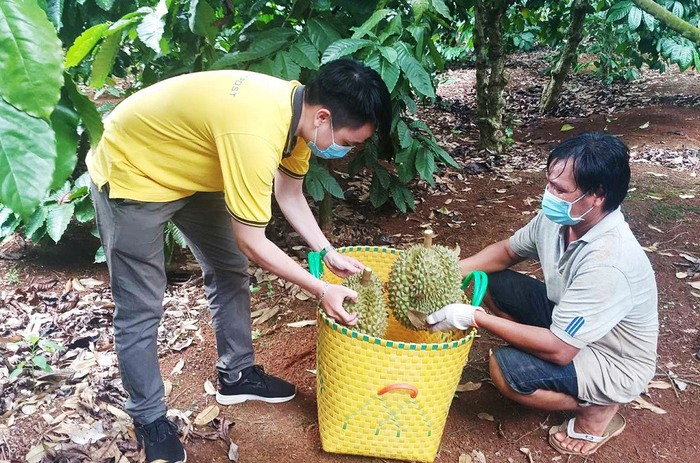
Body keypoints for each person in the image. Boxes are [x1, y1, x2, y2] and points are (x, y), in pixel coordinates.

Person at [88, 59, 392, 463]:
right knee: (141, 305)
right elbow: (251, 240)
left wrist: (326, 251)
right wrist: (321, 289)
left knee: (229, 269)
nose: (344, 151)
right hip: (136, 171)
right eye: (349, 142)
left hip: (192, 169)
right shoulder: (255, 130)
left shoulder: (297, 121)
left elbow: (290, 194)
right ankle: (148, 417)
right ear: (324, 117)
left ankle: (236, 375)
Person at [427, 132, 658, 456]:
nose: (548, 194)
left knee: (507, 372)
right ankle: (539, 356)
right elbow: (507, 251)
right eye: (549, 182)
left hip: (611, 357)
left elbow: (561, 349)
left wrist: (473, 317)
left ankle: (598, 407)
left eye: (560, 189)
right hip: (572, 320)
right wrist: (450, 270)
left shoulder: (609, 262)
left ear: (597, 196)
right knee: (493, 281)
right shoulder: (558, 218)